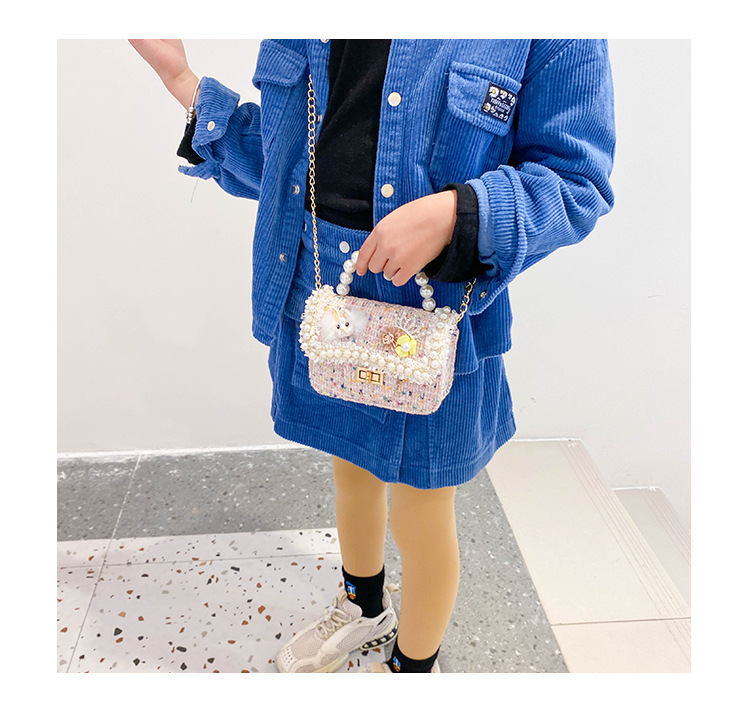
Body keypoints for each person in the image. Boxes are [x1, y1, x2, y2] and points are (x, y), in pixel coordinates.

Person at [129, 38, 616, 673]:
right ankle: (364, 608)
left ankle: (413, 667)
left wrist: (459, 214)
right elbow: (285, 163)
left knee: (423, 504)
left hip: (435, 323)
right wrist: (184, 82)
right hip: (325, 295)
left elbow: (576, 183)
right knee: (350, 469)